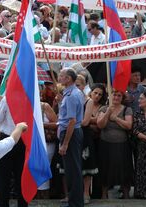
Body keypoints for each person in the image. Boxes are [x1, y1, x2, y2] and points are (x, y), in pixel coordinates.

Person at [96, 89, 133, 199]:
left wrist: (116, 118)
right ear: (110, 96)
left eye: (119, 95)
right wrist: (108, 113)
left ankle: (126, 193)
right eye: (114, 95)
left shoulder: (127, 109)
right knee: (105, 168)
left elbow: (128, 125)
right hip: (105, 143)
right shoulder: (103, 108)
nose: (116, 97)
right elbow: (100, 125)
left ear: (122, 98)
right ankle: (104, 194)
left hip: (122, 144)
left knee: (124, 168)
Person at [57, 68, 85, 207]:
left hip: (71, 133)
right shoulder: (74, 93)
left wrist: (65, 143)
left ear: (68, 78)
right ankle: (75, 201)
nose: (59, 78)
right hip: (73, 131)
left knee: (72, 170)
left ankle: (75, 203)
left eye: (62, 76)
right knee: (73, 169)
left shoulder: (71, 96)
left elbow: (72, 121)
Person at [81, 83, 105, 203]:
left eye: (100, 94)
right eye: (95, 93)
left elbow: (99, 122)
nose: (97, 96)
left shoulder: (102, 106)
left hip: (97, 140)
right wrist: (93, 120)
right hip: (85, 137)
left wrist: (88, 119)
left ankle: (91, 193)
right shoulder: (83, 101)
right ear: (91, 92)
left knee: (92, 167)